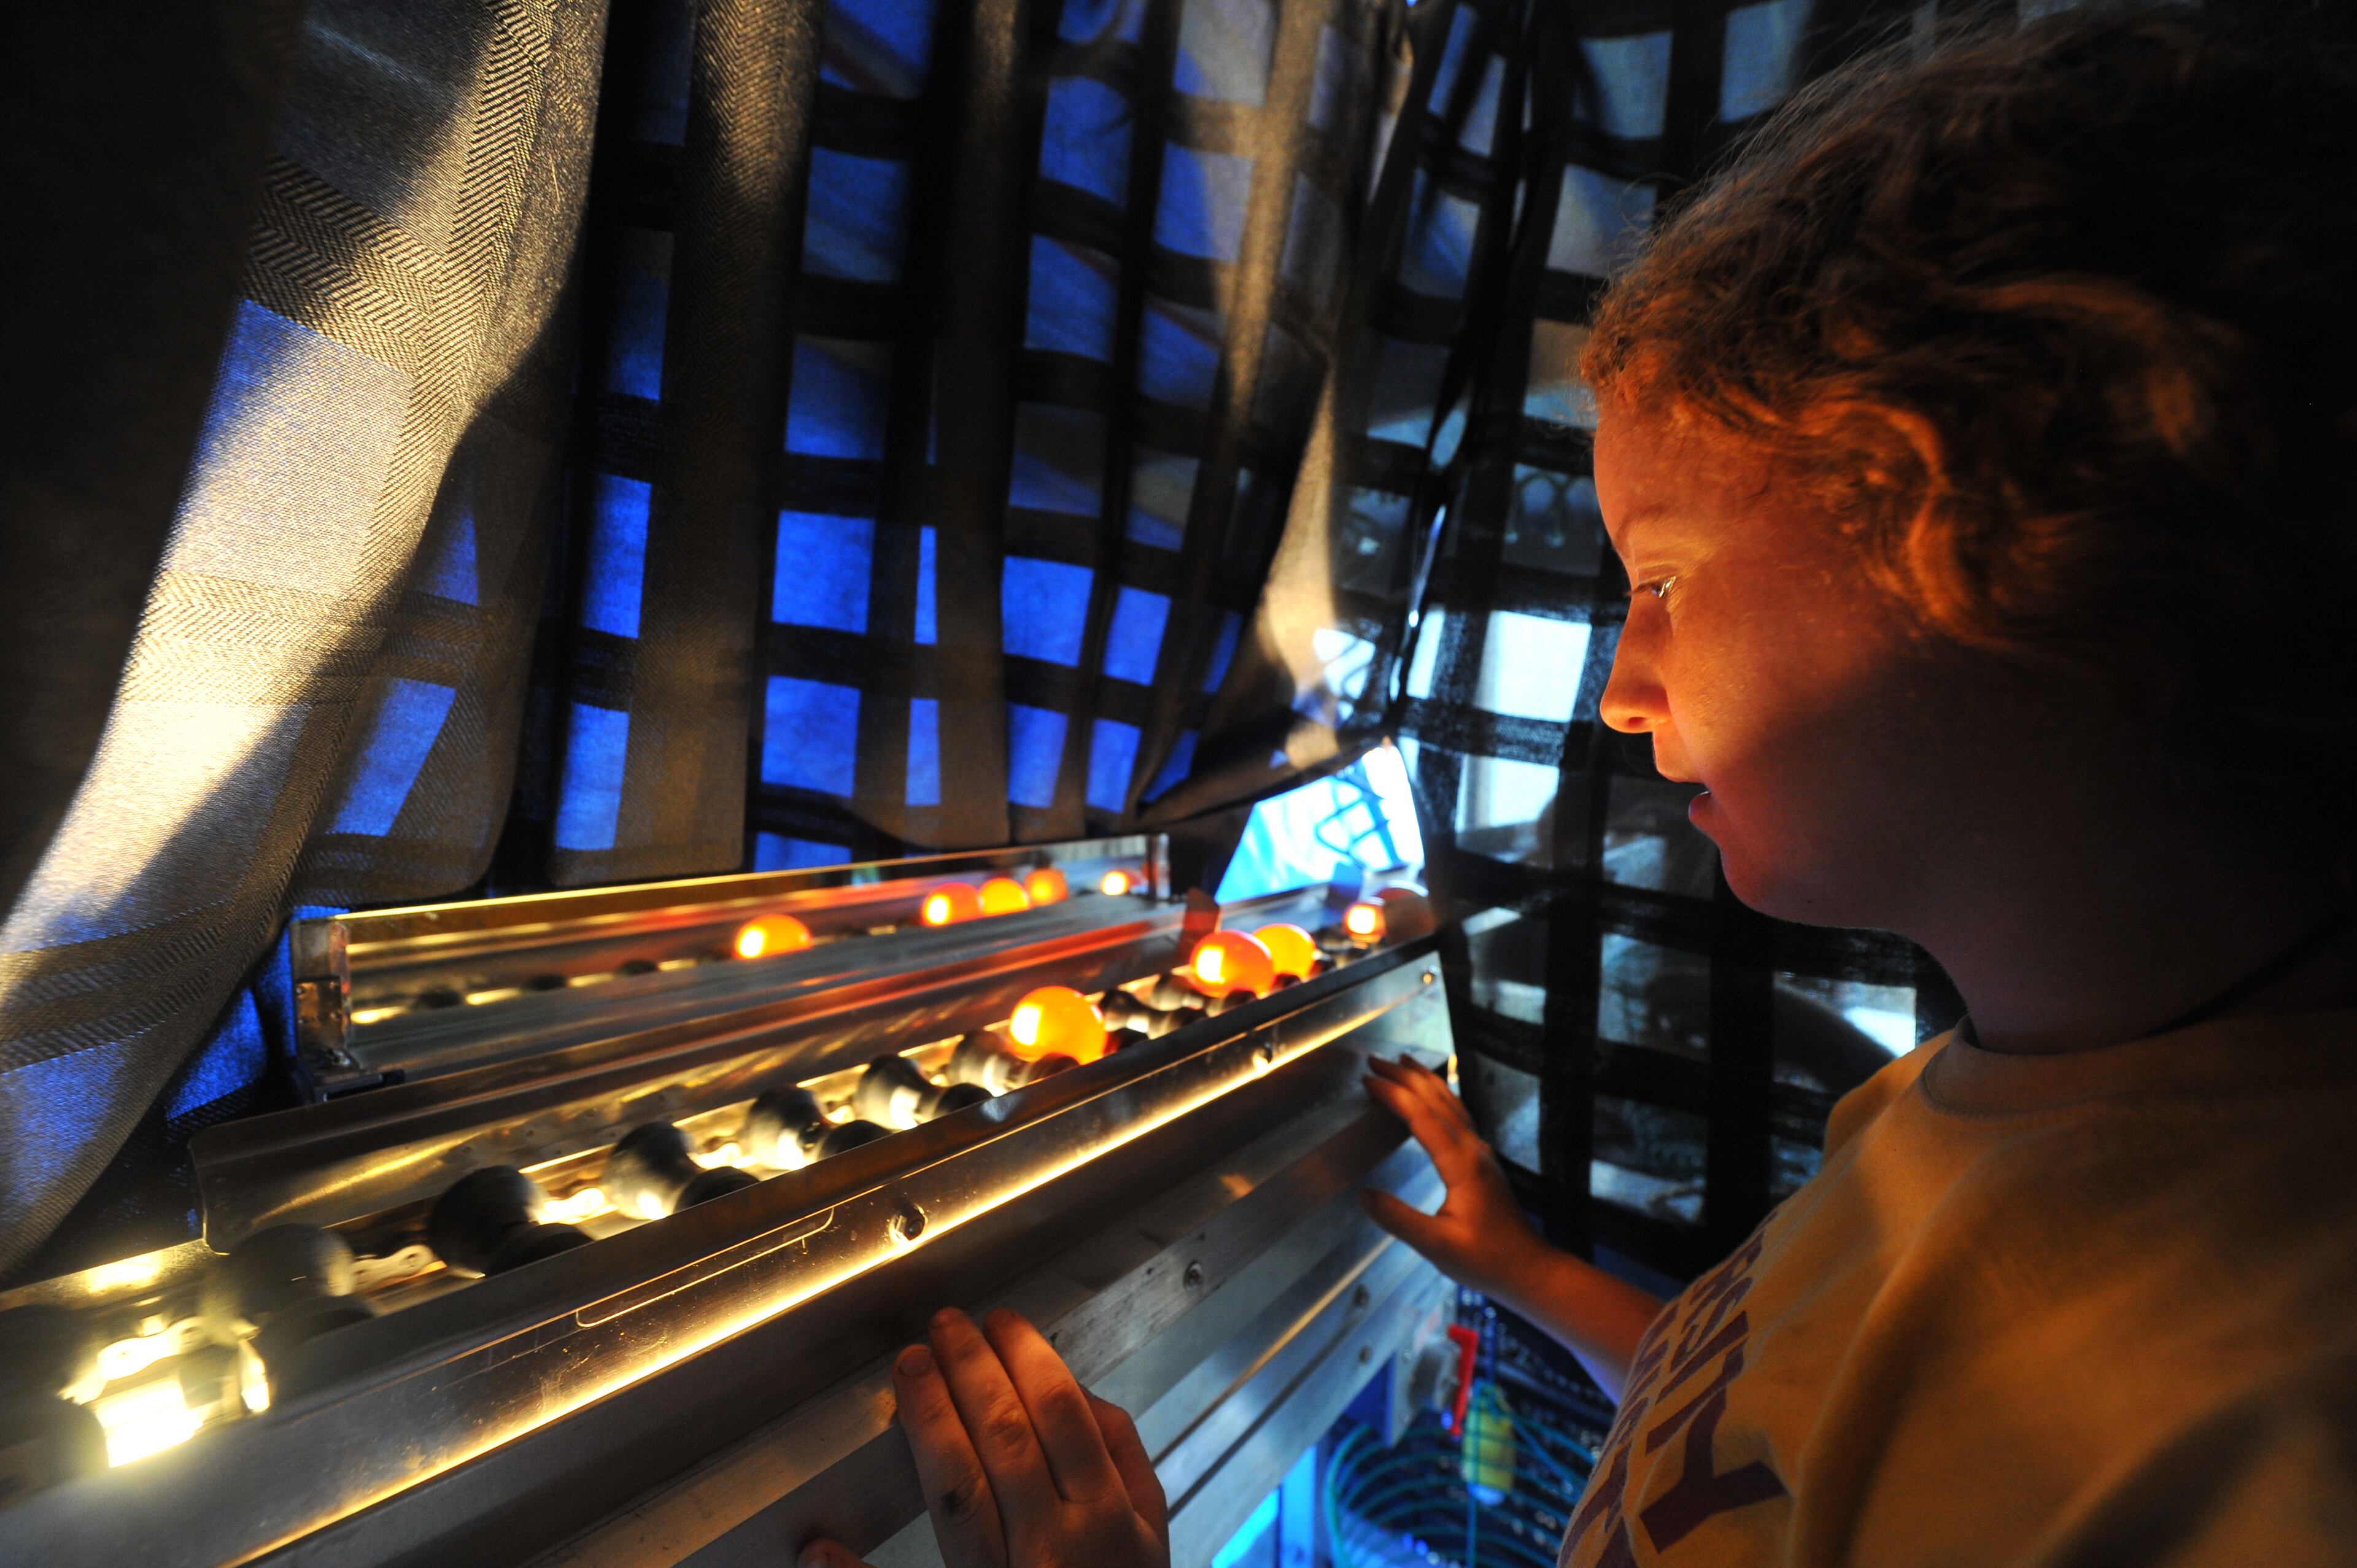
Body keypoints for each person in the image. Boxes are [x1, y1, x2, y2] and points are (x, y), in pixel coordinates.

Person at [799, 6, 2357, 1565]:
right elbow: (1786, 1423)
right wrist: (1528, 1272)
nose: (1618, 689)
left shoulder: (2242, 1427)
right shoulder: (1984, 1092)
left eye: (1665, 578)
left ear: (2014, 550)